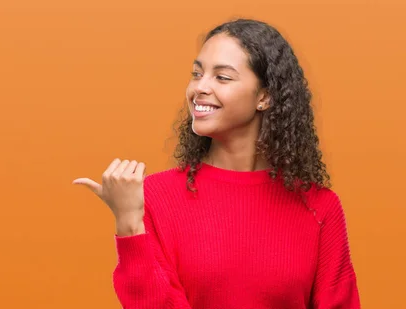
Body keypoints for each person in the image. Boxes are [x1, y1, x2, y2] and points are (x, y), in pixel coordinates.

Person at [72, 18, 360, 309]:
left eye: (222, 77)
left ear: (265, 96)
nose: (200, 88)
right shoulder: (153, 197)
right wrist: (129, 224)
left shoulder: (319, 207)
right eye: (197, 74)